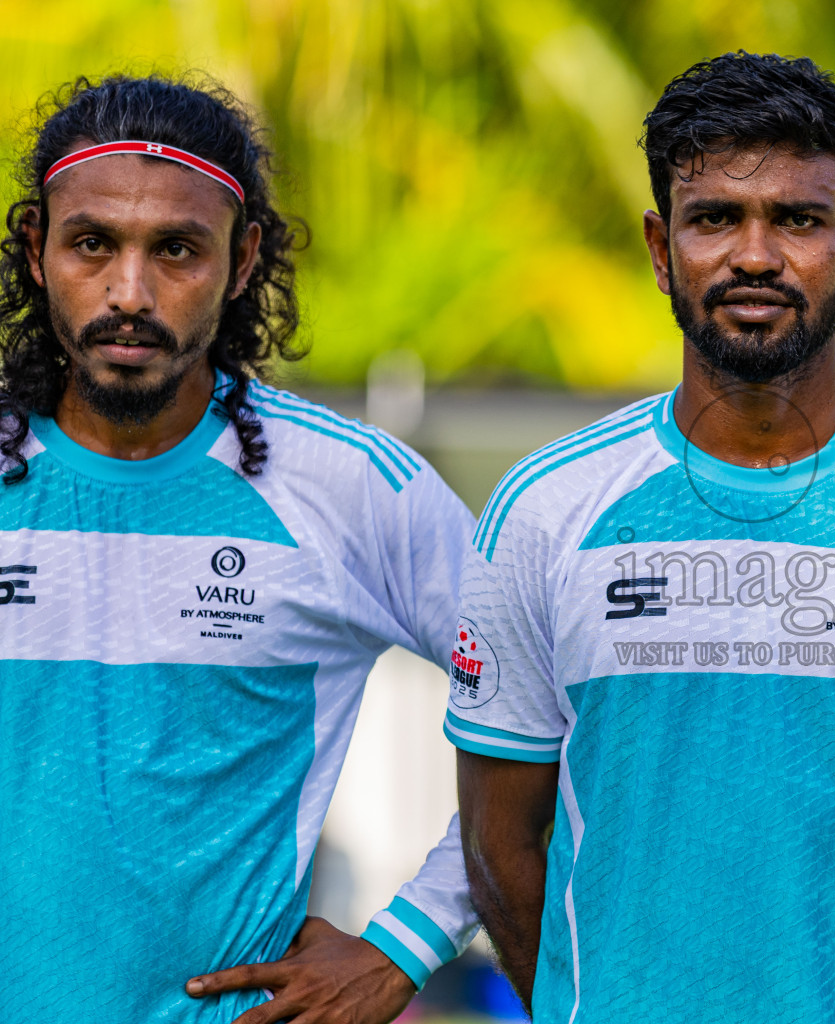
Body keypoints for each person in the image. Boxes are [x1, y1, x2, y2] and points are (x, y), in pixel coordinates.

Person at [449, 52, 835, 1023]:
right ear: (661, 249)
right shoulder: (544, 509)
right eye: (715, 219)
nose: (754, 254)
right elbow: (499, 845)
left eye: (796, 219)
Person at [0, 75, 476, 1022]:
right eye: (92, 243)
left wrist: (405, 946)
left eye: (176, 249)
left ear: (245, 257)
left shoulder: (351, 489)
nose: (128, 292)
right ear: (36, 249)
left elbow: (565, 708)